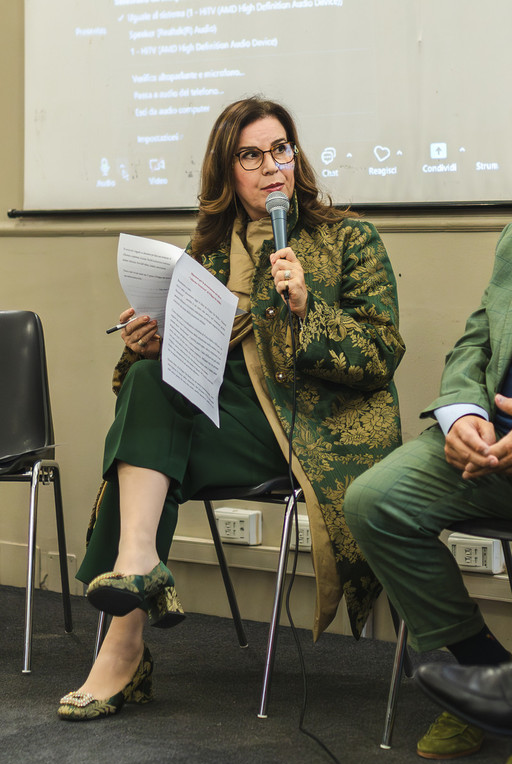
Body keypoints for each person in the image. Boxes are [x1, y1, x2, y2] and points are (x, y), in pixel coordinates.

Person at [57, 96, 405, 720]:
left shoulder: (348, 238)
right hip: (228, 417)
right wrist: (151, 345)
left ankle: (123, 643)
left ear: (296, 157)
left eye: (280, 150)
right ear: (227, 171)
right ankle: (137, 574)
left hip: (306, 429)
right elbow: (163, 375)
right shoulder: (207, 251)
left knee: (146, 465)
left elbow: (380, 355)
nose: (271, 166)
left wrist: (307, 308)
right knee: (147, 389)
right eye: (250, 155)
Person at [344, 224, 512, 759]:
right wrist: (462, 413)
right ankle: (486, 673)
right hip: (492, 440)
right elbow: (478, 339)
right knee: (375, 502)